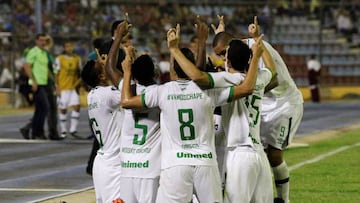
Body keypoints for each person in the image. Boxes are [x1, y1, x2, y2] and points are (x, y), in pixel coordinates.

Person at [121, 24, 264, 203]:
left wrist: (127, 72)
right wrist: (256, 57)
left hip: (174, 164)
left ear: (174, 68)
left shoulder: (161, 92)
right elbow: (246, 88)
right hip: (205, 162)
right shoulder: (209, 92)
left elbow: (126, 102)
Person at [178, 18, 276, 202]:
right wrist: (256, 45)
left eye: (225, 56)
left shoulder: (230, 80)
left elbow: (199, 77)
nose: (223, 59)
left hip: (239, 154)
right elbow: (272, 70)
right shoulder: (260, 77)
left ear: (229, 63)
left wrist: (175, 50)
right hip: (259, 155)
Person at [211, 16, 304, 203]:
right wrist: (220, 33)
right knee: (254, 146)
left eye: (222, 54)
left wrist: (251, 92)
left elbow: (274, 79)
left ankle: (284, 199)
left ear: (231, 46)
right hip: (263, 101)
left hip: (283, 103)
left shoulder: (257, 49)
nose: (222, 59)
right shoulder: (240, 50)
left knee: (275, 154)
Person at [81, 58, 123, 203]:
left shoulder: (92, 95)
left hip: (102, 161)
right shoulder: (108, 94)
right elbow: (130, 93)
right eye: (103, 66)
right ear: (102, 76)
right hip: (113, 163)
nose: (107, 65)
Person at [21, 33, 64, 140]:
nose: (43, 42)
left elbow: (49, 70)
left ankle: (36, 131)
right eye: (41, 40)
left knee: (45, 109)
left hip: (47, 83)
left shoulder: (45, 53)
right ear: (36, 41)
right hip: (39, 84)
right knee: (44, 108)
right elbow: (27, 66)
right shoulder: (34, 52)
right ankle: (36, 132)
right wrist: (33, 81)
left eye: (45, 40)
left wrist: (55, 84)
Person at [55, 40, 82, 139]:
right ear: (64, 48)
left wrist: (79, 85)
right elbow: (56, 73)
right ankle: (63, 131)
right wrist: (57, 87)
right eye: (67, 46)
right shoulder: (60, 59)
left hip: (73, 87)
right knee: (63, 109)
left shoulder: (77, 59)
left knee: (77, 107)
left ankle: (73, 129)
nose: (69, 48)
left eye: (71, 46)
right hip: (63, 88)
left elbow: (79, 73)